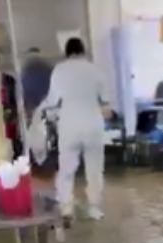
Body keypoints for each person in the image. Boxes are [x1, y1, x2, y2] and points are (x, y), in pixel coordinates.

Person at [37, 37, 109, 221]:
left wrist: (41, 111)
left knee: (67, 168)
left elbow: (53, 101)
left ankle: (66, 207)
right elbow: (105, 99)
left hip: (69, 124)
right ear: (83, 51)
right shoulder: (95, 70)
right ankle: (94, 208)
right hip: (93, 124)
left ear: (67, 53)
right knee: (94, 169)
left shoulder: (60, 70)